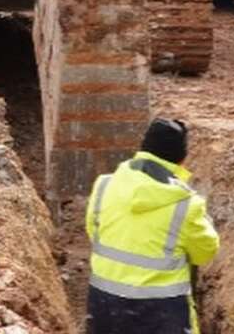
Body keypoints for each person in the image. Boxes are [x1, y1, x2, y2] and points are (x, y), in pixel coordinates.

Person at [85, 118, 220, 334]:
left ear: (143, 147)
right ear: (181, 159)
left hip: (105, 304)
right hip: (162, 312)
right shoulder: (185, 204)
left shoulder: (104, 184)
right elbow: (204, 253)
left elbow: (94, 232)